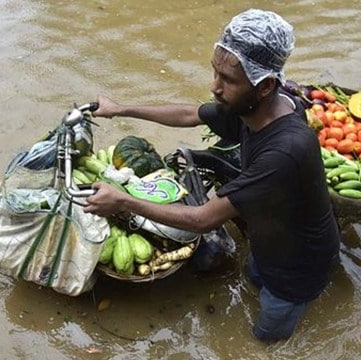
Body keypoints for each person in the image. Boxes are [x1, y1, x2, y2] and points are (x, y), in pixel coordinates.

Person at [83, 9, 340, 342]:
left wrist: (122, 201)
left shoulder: (284, 152)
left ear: (266, 87)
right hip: (269, 240)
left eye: (228, 80)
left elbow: (202, 219)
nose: (214, 87)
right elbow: (190, 114)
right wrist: (121, 109)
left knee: (266, 335)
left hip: (298, 266)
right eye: (215, 73)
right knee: (253, 277)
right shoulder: (259, 109)